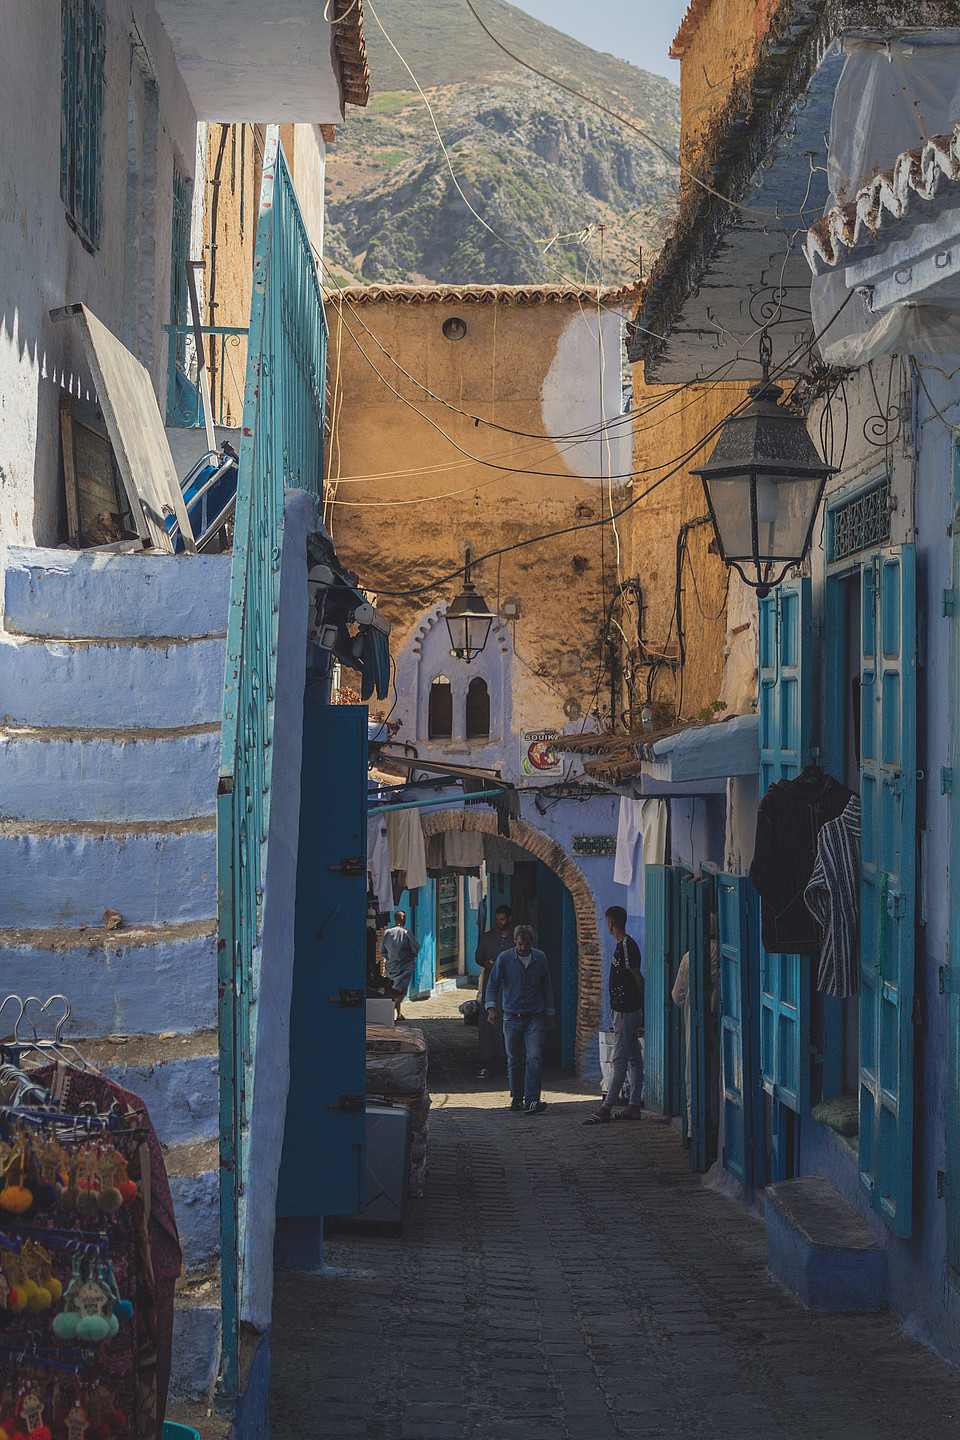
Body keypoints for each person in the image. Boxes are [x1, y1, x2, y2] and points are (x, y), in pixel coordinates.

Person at [485, 924, 555, 1115]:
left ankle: (532, 1099)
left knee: (534, 1057)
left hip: (535, 1016)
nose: (523, 948)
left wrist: (550, 1013)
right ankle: (517, 1097)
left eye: (526, 944)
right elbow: (493, 984)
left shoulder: (540, 958)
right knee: (514, 1059)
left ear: (531, 942)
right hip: (511, 1016)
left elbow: (546, 985)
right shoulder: (505, 959)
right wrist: (491, 1008)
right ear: (515, 941)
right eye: (520, 944)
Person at [584, 906, 644, 1124]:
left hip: (626, 1010)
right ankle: (634, 1106)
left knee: (619, 1060)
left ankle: (606, 1107)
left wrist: (640, 1010)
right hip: (624, 1010)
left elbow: (638, 980)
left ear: (611, 922)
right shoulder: (623, 946)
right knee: (635, 1059)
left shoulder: (627, 946)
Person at [474, 903, 513, 1078]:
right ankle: (486, 1063)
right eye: (497, 919)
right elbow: (479, 957)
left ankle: (510, 1062)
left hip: (511, 988)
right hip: (492, 986)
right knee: (488, 1023)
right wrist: (486, 963)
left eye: (502, 919)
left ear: (509, 919)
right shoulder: (488, 938)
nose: (499, 922)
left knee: (510, 1023)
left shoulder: (516, 938)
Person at [379, 909, 420, 1021]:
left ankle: (399, 1014)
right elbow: (416, 948)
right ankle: (389, 1010)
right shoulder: (406, 933)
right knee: (402, 992)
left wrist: (390, 958)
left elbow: (382, 951)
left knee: (393, 990)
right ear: (402, 919)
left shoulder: (387, 932)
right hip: (405, 967)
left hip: (391, 967)